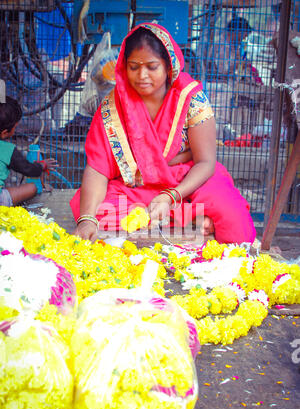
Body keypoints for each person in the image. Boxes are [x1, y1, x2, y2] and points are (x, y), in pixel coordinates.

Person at [71, 23, 256, 244]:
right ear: (124, 67)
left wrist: (170, 196)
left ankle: (178, 215)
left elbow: (205, 162)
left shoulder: (191, 99)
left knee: (232, 217)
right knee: (92, 209)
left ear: (169, 67)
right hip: (141, 186)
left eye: (151, 67)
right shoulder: (114, 106)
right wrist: (87, 220)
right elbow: (98, 168)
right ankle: (192, 219)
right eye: (133, 67)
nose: (142, 75)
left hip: (188, 182)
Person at [0, 96, 57, 207]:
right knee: (32, 188)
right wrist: (42, 165)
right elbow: (29, 170)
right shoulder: (7, 150)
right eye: (15, 127)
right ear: (4, 132)